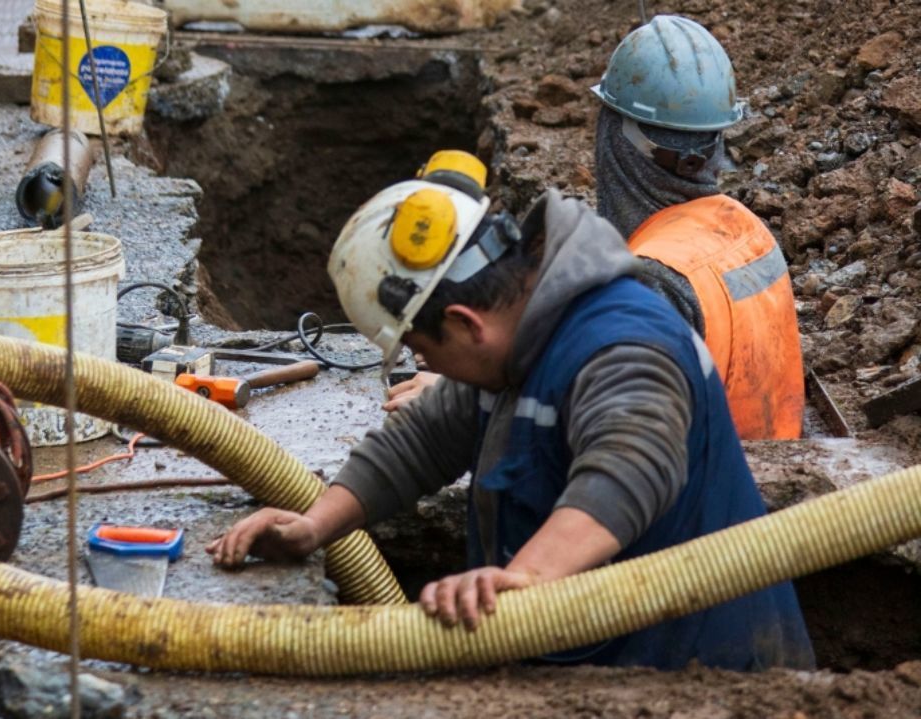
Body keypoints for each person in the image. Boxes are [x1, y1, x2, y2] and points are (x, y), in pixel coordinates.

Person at [206, 159, 815, 671]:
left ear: (465, 325)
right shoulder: (525, 331)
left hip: (710, 679)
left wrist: (521, 581)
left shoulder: (623, 344)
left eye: (423, 352)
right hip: (603, 664)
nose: (429, 368)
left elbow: (628, 469)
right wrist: (316, 524)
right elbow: (426, 436)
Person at [392, 16, 805, 441]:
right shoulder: (747, 228)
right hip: (778, 469)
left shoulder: (655, 278)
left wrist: (465, 395)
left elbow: (599, 417)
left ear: (614, 137)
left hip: (704, 491)